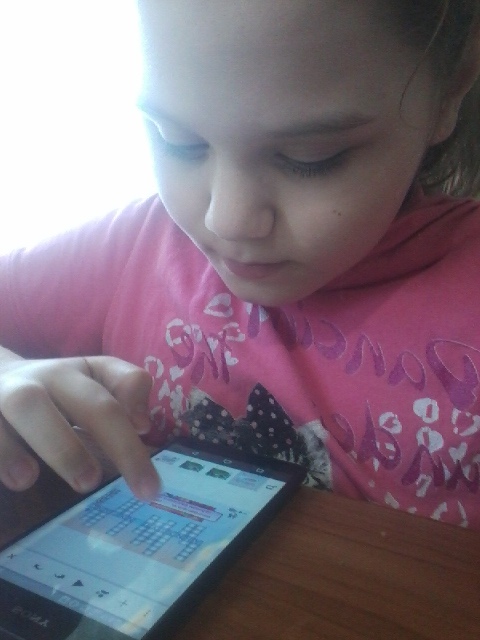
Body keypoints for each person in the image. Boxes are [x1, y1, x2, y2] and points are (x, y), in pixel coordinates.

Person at [0, 0, 480, 528]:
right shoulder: (137, 243)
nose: (226, 219)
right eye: (179, 142)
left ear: (451, 88)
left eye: (310, 158)